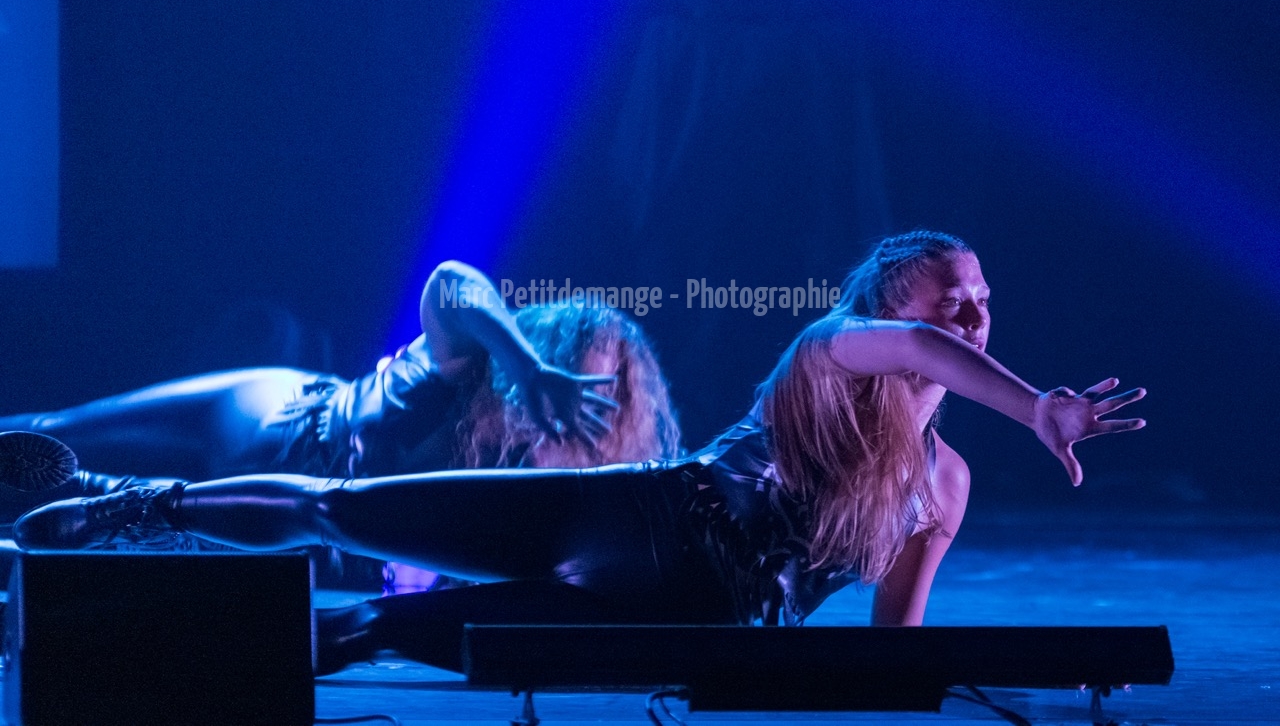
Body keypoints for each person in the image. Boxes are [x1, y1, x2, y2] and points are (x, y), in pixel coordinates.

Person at [13, 231, 1146, 674]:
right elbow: (916, 352)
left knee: (371, 631)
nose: (972, 316)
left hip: (701, 620)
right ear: (892, 309)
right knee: (341, 506)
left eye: (983, 297)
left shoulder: (942, 484)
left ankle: (115, 647)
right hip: (634, 519)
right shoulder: (832, 350)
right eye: (951, 300)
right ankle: (135, 505)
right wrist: (1035, 408)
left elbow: (894, 648)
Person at [0, 261, 681, 544]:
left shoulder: (539, 472)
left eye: (600, 396)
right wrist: (527, 368)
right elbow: (450, 281)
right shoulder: (472, 366)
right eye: (573, 378)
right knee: (61, 433)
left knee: (83, 503)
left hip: (274, 514)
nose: (577, 403)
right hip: (271, 418)